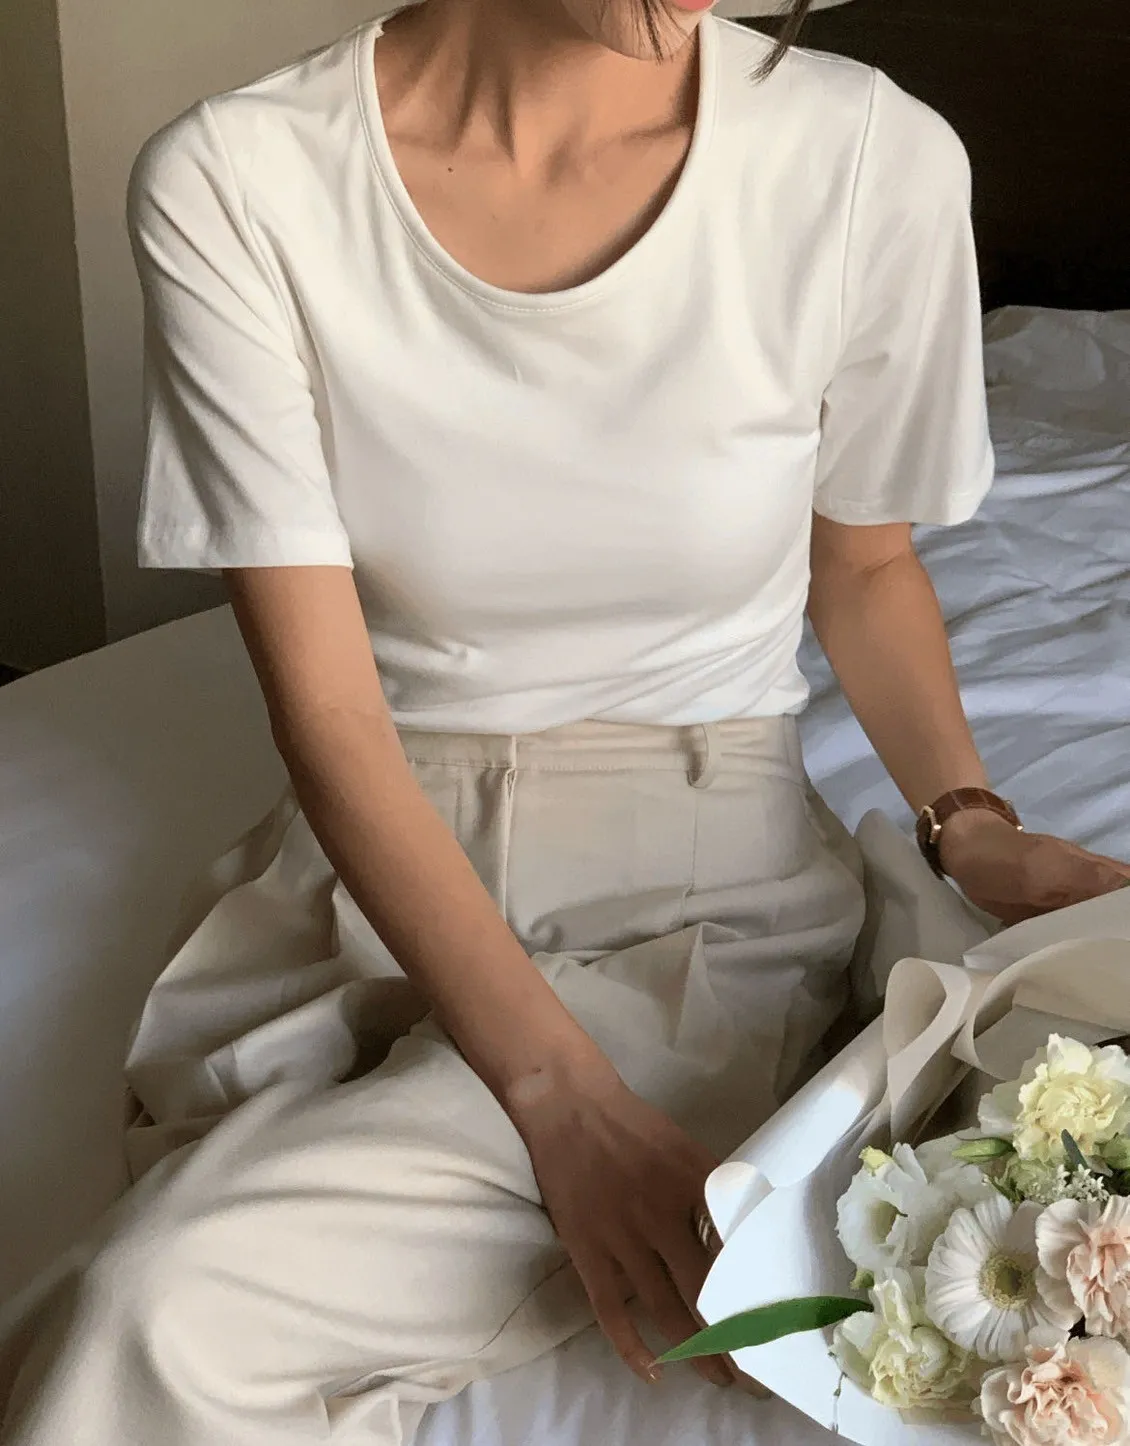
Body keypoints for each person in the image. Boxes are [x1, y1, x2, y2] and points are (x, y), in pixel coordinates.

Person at [4, 0, 1130, 1442]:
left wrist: (966, 823)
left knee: (153, 1305)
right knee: (159, 1302)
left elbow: (862, 567)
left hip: (703, 901)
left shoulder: (866, 157)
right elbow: (330, 713)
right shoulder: (239, 178)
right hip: (369, 872)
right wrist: (557, 1097)